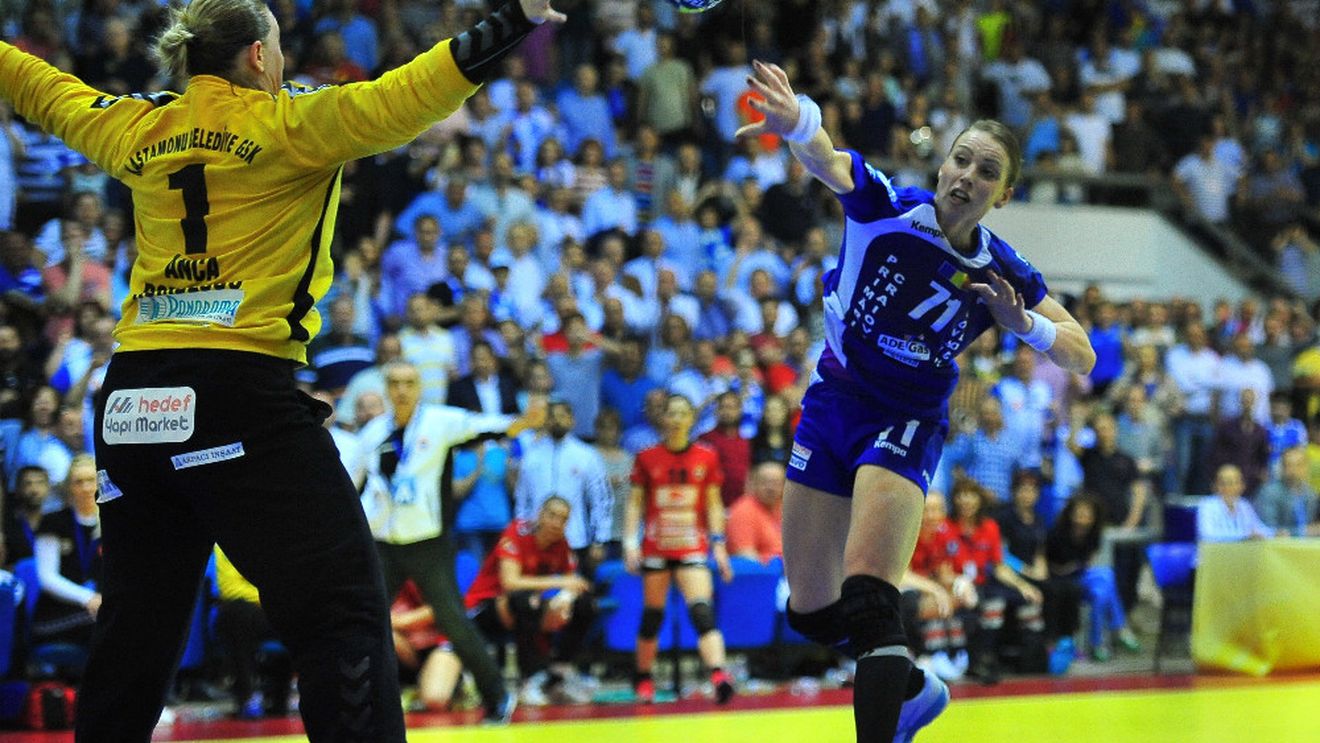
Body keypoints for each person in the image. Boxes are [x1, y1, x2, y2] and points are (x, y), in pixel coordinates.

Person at [0, 0, 567, 735]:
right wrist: (515, 17)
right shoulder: (290, 123)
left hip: (132, 398)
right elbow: (413, 91)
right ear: (259, 57)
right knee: (343, 611)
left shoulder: (136, 125)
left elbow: (39, 86)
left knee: (134, 634)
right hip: (235, 390)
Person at [738, 60, 1095, 742]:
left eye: (986, 171)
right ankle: (908, 688)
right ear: (943, 163)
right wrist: (799, 122)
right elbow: (830, 162)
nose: (967, 176)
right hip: (834, 400)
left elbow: (1082, 354)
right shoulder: (889, 206)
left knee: (870, 593)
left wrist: (1024, 323)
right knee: (810, 611)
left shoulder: (1002, 268)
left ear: (1003, 194)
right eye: (961, 159)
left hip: (907, 418)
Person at [356, 361, 545, 724]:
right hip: (385, 544)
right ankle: (361, 701)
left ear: (419, 387)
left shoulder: (438, 422)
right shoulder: (374, 433)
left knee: (453, 621)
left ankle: (497, 694)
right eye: (394, 383)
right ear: (386, 388)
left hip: (429, 544)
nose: (401, 390)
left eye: (409, 383)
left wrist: (521, 422)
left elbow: (483, 425)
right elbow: (358, 483)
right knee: (365, 618)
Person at [624, 394, 735, 705]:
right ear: (663, 418)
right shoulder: (647, 457)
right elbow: (635, 503)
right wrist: (630, 543)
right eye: (671, 413)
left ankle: (719, 676)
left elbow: (713, 504)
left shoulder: (706, 456)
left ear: (691, 419)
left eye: (682, 414)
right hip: (656, 547)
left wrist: (719, 546)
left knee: (702, 611)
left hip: (691, 546)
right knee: (652, 616)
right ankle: (643, 677)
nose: (676, 419)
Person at [466, 496, 596, 707]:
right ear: (539, 514)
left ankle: (557, 676)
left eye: (563, 519)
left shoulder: (561, 544)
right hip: (484, 606)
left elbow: (574, 583)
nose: (556, 523)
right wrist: (559, 582)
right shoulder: (517, 532)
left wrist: (564, 599)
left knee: (585, 605)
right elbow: (510, 582)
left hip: (526, 606)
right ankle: (528, 680)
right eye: (552, 515)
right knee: (525, 601)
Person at [727, 461, 786, 564]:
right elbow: (745, 556)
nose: (770, 488)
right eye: (765, 482)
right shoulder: (743, 511)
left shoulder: (785, 508)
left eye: (776, 483)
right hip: (763, 571)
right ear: (753, 483)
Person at [1197, 464, 1274, 542]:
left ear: (1242, 486)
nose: (1228, 487)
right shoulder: (1207, 505)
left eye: (1234, 482)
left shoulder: (1244, 505)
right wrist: (1244, 536)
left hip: (1242, 549)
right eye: (1224, 483)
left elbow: (1258, 528)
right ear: (1215, 486)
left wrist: (1274, 533)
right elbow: (1207, 535)